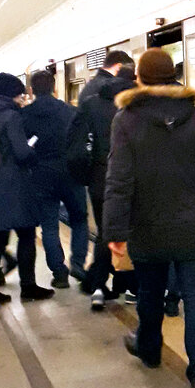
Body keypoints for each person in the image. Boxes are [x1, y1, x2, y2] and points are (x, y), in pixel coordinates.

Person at [103, 47, 195, 388]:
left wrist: (115, 231)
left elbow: (119, 180)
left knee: (149, 292)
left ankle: (149, 350)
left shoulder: (126, 121)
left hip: (147, 226)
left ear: (141, 78)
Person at [0, 73, 54, 306]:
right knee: (26, 234)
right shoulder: (10, 115)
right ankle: (28, 286)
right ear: (14, 93)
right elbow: (22, 153)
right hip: (13, 185)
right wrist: (33, 152)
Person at [67, 62, 136, 310]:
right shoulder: (136, 104)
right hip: (131, 180)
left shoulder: (90, 103)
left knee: (106, 232)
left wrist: (84, 176)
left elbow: (75, 146)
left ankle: (97, 285)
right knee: (130, 233)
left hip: (98, 180)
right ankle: (128, 286)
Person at [22, 69, 89, 288]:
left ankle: (59, 273)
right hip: (71, 173)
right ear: (55, 87)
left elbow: (22, 147)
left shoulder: (25, 115)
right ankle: (78, 263)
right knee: (79, 219)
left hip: (42, 175)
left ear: (31, 90)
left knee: (49, 225)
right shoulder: (70, 111)